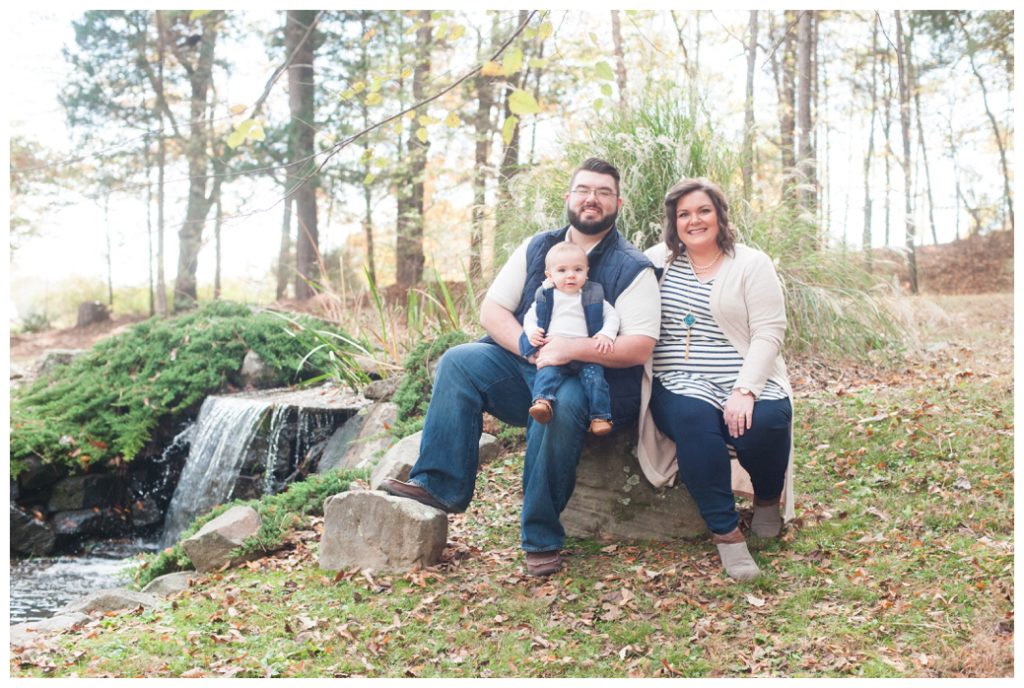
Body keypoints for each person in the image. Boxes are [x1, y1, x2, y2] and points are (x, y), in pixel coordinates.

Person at [383, 158, 661, 577]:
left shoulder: (632, 266)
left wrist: (571, 349)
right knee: (459, 361)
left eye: (603, 192)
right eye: (584, 189)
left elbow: (638, 346)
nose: (592, 199)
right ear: (569, 198)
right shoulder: (537, 247)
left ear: (617, 202)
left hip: (591, 384)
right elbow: (492, 310)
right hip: (525, 365)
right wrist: (530, 350)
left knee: (559, 409)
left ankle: (541, 537)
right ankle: (439, 485)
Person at [636, 178, 795, 581]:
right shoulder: (655, 261)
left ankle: (766, 501)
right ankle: (727, 536)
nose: (694, 221)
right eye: (683, 214)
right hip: (679, 377)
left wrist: (745, 389)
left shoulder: (751, 263)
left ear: (720, 216)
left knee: (765, 423)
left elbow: (769, 332)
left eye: (703, 211)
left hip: (741, 371)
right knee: (694, 423)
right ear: (674, 222)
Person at [519, 241, 620, 437]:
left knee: (596, 380)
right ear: (550, 275)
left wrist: (606, 333)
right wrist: (532, 331)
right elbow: (530, 317)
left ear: (587, 272)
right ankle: (542, 403)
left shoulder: (593, 294)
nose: (571, 275)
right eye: (562, 270)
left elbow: (612, 316)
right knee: (546, 373)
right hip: (554, 353)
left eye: (578, 269)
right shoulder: (546, 296)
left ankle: (600, 417)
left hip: (586, 354)